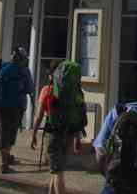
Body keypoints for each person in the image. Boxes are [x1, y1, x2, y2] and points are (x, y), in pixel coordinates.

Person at [31, 60, 84, 194]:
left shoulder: (47, 90)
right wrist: (78, 138)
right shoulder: (76, 91)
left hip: (54, 133)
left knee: (57, 171)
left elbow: (39, 116)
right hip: (70, 133)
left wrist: (34, 134)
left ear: (52, 74)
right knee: (56, 169)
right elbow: (78, 114)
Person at [0, 47, 27, 173]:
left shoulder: (3, 70)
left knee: (3, 134)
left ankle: (6, 159)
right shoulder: (21, 72)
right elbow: (28, 88)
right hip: (15, 107)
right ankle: (5, 163)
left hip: (1, 107)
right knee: (10, 135)